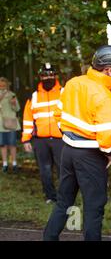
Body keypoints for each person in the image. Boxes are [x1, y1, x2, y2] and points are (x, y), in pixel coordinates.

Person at [43, 45, 111, 241]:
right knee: (93, 207)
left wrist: (71, 136)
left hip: (68, 151)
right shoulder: (106, 98)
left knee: (63, 202)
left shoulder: (73, 83)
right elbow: (106, 139)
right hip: (90, 156)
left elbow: (58, 114)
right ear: (109, 70)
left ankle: (49, 238)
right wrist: (109, 153)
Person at [21, 63, 64, 203]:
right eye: (45, 75)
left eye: (51, 74)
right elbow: (28, 119)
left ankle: (65, 197)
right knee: (45, 170)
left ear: (55, 75)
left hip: (61, 139)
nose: (48, 77)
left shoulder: (64, 92)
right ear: (40, 77)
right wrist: (26, 140)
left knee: (63, 170)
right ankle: (50, 196)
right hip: (40, 140)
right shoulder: (33, 96)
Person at [0, 77, 20, 173]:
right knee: (2, 145)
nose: (2, 86)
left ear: (7, 85)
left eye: (3, 84)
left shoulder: (12, 95)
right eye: (0, 85)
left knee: (12, 144)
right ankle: (5, 164)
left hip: (11, 123)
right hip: (0, 124)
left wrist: (14, 104)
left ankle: (14, 163)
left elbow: (17, 109)